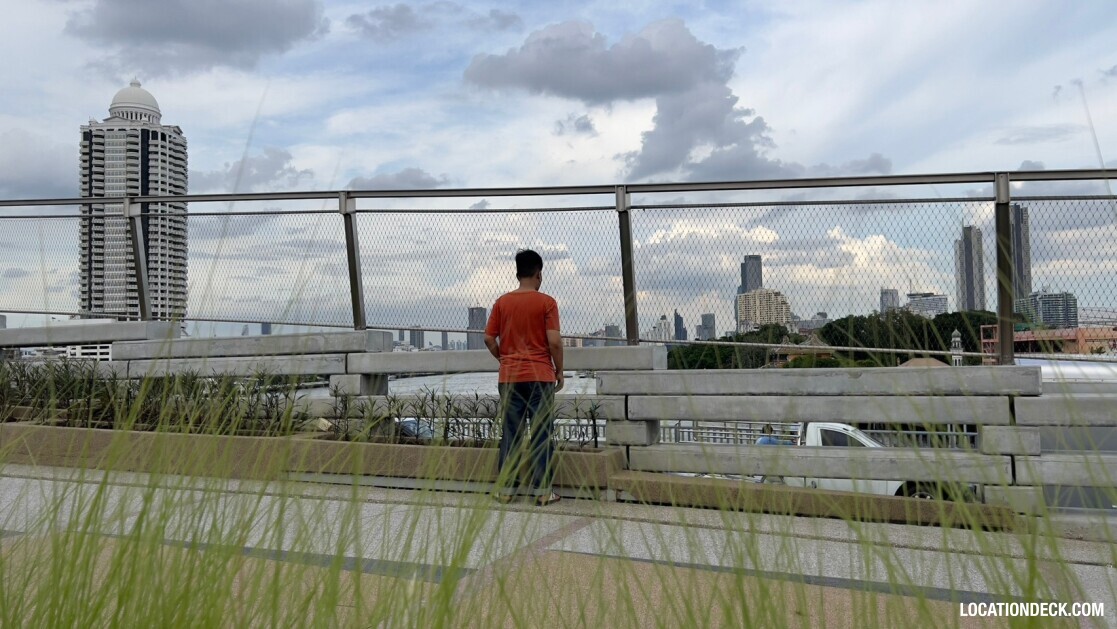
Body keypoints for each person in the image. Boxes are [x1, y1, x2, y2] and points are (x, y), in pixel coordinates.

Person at [484, 249, 564, 506]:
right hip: (540, 375)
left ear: (518, 273)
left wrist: (503, 359)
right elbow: (554, 341)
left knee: (511, 433)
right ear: (538, 274)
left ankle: (507, 489)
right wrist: (559, 370)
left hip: (509, 376)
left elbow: (488, 338)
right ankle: (543, 491)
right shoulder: (547, 302)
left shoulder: (501, 302)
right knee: (541, 432)